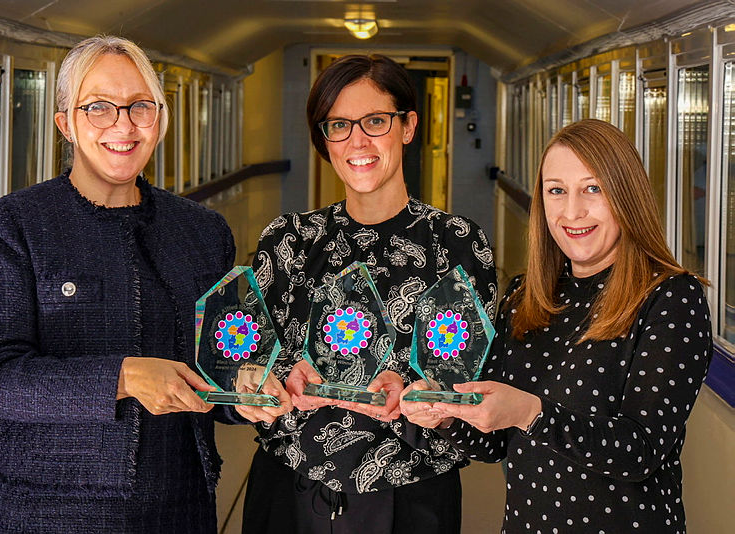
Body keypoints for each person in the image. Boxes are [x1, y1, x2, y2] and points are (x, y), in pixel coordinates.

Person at [0, 35, 289, 533]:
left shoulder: (201, 231)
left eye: (141, 107)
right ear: (65, 124)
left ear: (159, 119)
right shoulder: (17, 224)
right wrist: (124, 376)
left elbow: (223, 361)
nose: (123, 125)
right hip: (46, 509)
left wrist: (246, 388)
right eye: (98, 107)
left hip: (180, 504)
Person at [401, 118, 712, 533]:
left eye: (593, 189)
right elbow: (496, 442)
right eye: (557, 191)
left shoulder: (670, 297)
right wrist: (443, 412)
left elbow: (640, 451)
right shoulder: (525, 296)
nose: (572, 211)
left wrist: (530, 411)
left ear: (627, 194)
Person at [241, 54, 497, 533]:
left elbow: (474, 392)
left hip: (412, 497)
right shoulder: (289, 242)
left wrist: (427, 402)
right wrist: (267, 385)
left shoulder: (456, 244)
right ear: (324, 138)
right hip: (289, 489)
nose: (357, 140)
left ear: (407, 126)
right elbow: (245, 366)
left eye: (375, 121)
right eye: (338, 125)